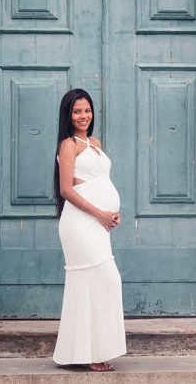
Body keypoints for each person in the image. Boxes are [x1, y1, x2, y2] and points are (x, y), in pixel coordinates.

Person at [52, 88, 127, 371]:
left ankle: (87, 352)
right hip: (80, 224)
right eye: (76, 111)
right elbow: (66, 189)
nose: (83, 116)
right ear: (68, 115)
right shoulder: (68, 145)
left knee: (95, 285)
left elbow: (98, 181)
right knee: (105, 280)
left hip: (97, 223)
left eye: (86, 110)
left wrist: (110, 215)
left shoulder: (94, 142)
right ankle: (92, 353)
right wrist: (99, 214)